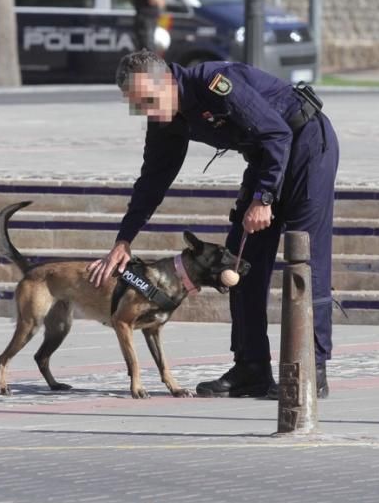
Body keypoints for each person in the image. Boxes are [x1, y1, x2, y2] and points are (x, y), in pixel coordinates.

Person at [87, 50, 340, 398]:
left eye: (149, 99)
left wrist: (263, 198)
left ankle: (313, 367)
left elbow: (277, 133)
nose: (147, 111)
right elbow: (152, 180)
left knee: (307, 260)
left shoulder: (213, 83)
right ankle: (251, 367)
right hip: (266, 157)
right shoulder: (166, 118)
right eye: (138, 106)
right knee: (238, 261)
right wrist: (124, 240)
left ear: (168, 81)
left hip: (306, 144)